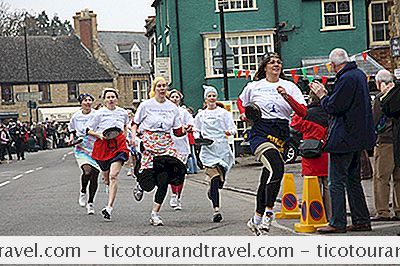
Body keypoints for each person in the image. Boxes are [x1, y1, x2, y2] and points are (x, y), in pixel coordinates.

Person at [238, 52, 306, 235]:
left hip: (281, 132)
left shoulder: (289, 86)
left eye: (279, 62)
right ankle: (269, 213)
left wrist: (287, 98)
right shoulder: (255, 86)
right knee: (277, 168)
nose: (276, 65)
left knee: (266, 178)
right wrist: (244, 114)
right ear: (265, 67)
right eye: (272, 62)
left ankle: (256, 219)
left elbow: (302, 111)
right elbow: (241, 101)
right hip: (261, 131)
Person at [310, 48, 376, 234]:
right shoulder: (359, 75)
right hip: (358, 137)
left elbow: (334, 107)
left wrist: (323, 95)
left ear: (333, 65)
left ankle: (337, 222)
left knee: (336, 181)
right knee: (352, 180)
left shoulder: (346, 79)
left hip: (344, 137)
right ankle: (361, 219)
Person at [132, 77, 186, 226]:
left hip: (166, 143)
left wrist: (185, 130)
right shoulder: (146, 105)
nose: (162, 89)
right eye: (159, 86)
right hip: (149, 141)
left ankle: (155, 213)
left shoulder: (172, 107)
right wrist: (133, 137)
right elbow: (135, 123)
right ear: (154, 88)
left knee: (164, 181)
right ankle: (140, 183)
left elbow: (177, 131)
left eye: (164, 86)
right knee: (148, 183)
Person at [277, 88, 331, 220]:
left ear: (311, 99)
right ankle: (331, 215)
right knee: (328, 186)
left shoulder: (307, 113)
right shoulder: (330, 113)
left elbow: (295, 124)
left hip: (311, 153)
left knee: (313, 186)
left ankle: (316, 215)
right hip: (327, 152)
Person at [194, 85, 237, 223]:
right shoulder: (201, 115)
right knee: (214, 178)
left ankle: (212, 191)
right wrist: (197, 138)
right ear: (205, 99)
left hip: (222, 149)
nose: (212, 98)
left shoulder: (223, 113)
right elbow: (196, 130)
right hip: (208, 149)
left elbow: (232, 127)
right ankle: (216, 210)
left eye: (213, 96)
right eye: (209, 96)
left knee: (220, 182)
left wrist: (231, 131)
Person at [86, 88, 130, 220]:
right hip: (103, 145)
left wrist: (127, 137)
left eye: (113, 97)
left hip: (119, 145)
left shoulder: (122, 112)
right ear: (104, 100)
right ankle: (107, 184)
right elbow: (88, 130)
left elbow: (125, 126)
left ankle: (109, 207)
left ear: (117, 99)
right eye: (108, 97)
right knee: (106, 175)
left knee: (113, 175)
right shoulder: (99, 114)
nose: (111, 99)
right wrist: (98, 134)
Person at [370, 69, 400, 221]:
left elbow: (374, 120)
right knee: (398, 177)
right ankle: (399, 209)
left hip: (385, 141)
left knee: (381, 177)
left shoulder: (380, 98)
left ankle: (382, 211)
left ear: (379, 83)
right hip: (398, 139)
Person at [68, 93, 101, 215]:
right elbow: (71, 129)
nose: (88, 102)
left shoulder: (96, 114)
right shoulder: (76, 116)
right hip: (82, 147)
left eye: (89, 100)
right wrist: (71, 138)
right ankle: (83, 191)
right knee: (87, 171)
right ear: (81, 102)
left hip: (95, 146)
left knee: (95, 175)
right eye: (85, 100)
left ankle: (90, 203)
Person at [168, 89, 194, 210]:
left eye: (177, 96)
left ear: (180, 98)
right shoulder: (166, 111)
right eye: (172, 96)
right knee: (173, 170)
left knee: (181, 172)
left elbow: (191, 124)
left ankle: (178, 196)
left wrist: (187, 127)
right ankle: (173, 194)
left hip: (182, 144)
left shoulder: (184, 112)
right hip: (170, 144)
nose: (174, 98)